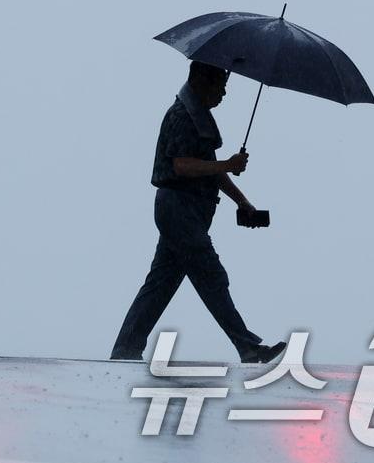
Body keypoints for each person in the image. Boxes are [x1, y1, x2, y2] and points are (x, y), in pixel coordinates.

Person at [109, 61, 286, 364]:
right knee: (211, 275)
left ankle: (126, 348)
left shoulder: (197, 119)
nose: (224, 93)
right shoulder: (181, 116)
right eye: (220, 85)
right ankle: (246, 346)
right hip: (179, 210)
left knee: (161, 283)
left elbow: (211, 171)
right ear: (200, 80)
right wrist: (227, 165)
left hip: (188, 212)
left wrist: (242, 201)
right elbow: (182, 165)